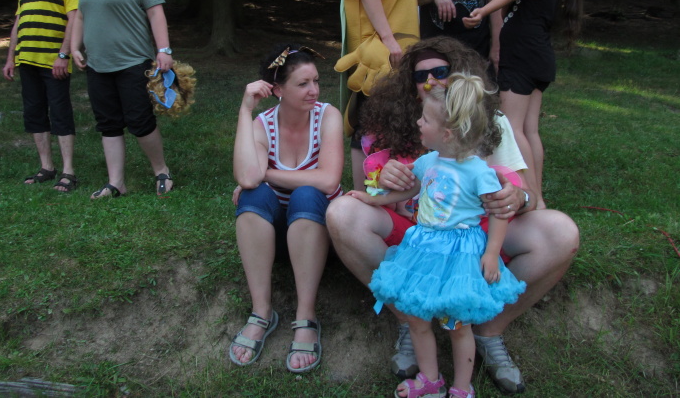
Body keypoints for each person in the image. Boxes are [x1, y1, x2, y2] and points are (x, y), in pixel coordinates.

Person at [326, 37, 580, 394]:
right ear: (409, 84)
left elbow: (531, 197)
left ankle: (488, 330)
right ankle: (411, 319)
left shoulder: (489, 122)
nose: (430, 81)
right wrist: (379, 183)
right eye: (420, 76)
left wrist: (517, 197)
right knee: (341, 213)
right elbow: (383, 186)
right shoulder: (400, 124)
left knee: (562, 231)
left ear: (459, 74)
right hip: (416, 237)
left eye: (440, 71)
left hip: (471, 238)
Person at [347, 73, 526, 398]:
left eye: (425, 119)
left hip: (459, 257)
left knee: (457, 325)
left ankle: (462, 387)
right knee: (417, 319)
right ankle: (430, 378)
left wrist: (491, 253)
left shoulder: (479, 172)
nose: (418, 122)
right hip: (422, 250)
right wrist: (373, 199)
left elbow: (499, 212)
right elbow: (410, 189)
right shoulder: (427, 162)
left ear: (446, 133)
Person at [229, 44, 344, 373]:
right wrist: (245, 110)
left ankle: (305, 316)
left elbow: (328, 180)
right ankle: (261, 312)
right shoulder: (263, 124)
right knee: (252, 196)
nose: (314, 91)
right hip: (277, 240)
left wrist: (267, 173)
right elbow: (247, 177)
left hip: (320, 236)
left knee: (306, 194)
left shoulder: (327, 115)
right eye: (303, 84)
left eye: (316, 81)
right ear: (278, 90)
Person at [335, 0, 449, 189]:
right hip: (381, 54)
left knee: (394, 122)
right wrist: (388, 41)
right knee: (369, 121)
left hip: (399, 53)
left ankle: (393, 193)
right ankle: (363, 195)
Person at [463, 0, 583, 210]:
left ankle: (529, 195)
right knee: (529, 130)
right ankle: (537, 198)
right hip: (535, 59)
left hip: (522, 60)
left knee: (512, 127)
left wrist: (482, 11)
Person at [71, 0, 174, 199]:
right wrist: (74, 47)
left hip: (132, 61)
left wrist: (164, 50)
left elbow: (156, 13)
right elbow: (80, 16)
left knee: (140, 120)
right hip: (97, 64)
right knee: (108, 123)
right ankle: (116, 182)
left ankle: (161, 171)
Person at [4, 0, 80, 192]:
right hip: (27, 59)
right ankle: (47, 167)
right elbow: (18, 22)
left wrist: (63, 55)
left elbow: (74, 19)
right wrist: (11, 57)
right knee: (34, 112)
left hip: (54, 61)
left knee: (60, 113)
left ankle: (69, 172)